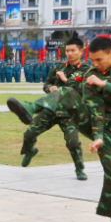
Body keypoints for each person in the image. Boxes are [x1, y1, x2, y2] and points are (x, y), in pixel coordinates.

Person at [7, 36, 111, 222]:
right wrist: (97, 136)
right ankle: (30, 108)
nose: (94, 65)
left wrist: (104, 84)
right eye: (92, 60)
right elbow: (95, 107)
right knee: (66, 92)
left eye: (99, 60)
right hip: (93, 122)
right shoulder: (90, 75)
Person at [31, 37, 90, 180]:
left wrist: (65, 80)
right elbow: (47, 83)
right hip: (53, 109)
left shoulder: (87, 70)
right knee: (31, 131)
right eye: (67, 50)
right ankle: (28, 151)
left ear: (81, 51)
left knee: (73, 141)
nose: (69, 53)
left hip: (70, 112)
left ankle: (79, 168)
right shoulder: (58, 68)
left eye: (73, 50)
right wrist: (49, 88)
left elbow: (84, 90)